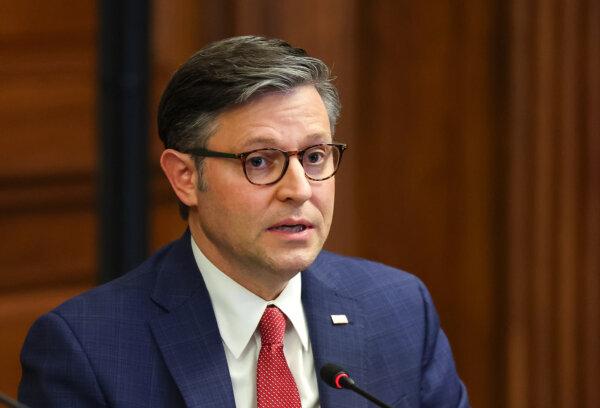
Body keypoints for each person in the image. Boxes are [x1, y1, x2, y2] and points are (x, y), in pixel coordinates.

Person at [19, 36, 469, 407]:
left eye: (314, 156)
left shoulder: (399, 310)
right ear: (185, 177)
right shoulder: (88, 350)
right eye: (259, 161)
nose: (299, 188)